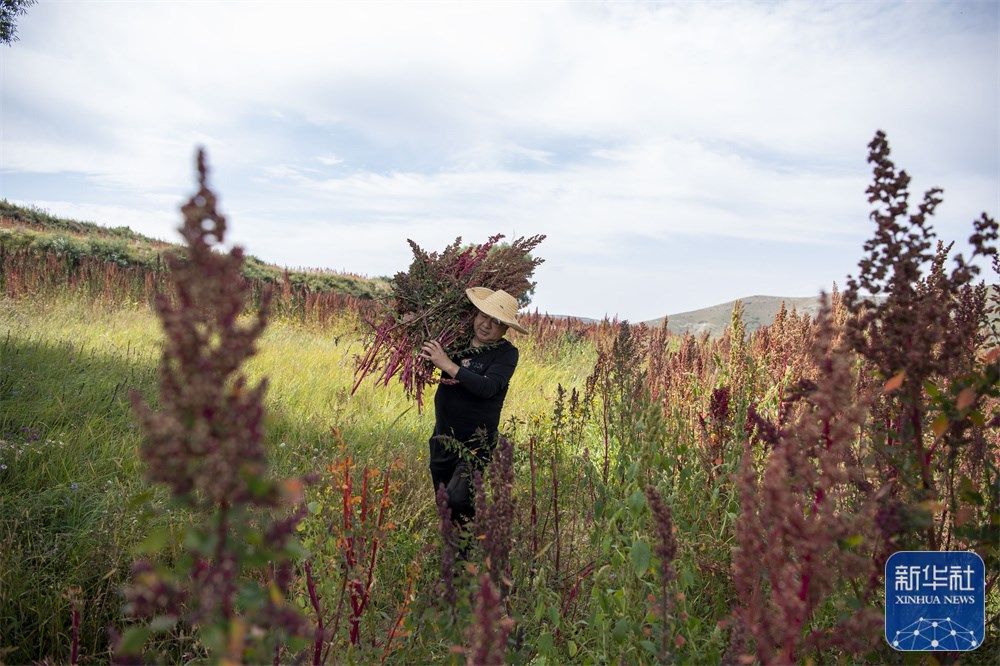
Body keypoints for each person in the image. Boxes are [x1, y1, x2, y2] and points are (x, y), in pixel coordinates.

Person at [419, 287, 526, 525]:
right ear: (475, 315)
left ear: (506, 328)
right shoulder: (455, 341)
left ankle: (470, 551)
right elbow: (425, 350)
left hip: (476, 443)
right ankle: (453, 551)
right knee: (444, 501)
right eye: (483, 316)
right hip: (442, 436)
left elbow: (487, 387)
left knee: (459, 499)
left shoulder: (506, 354)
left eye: (496, 321)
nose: (486, 325)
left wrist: (448, 364)